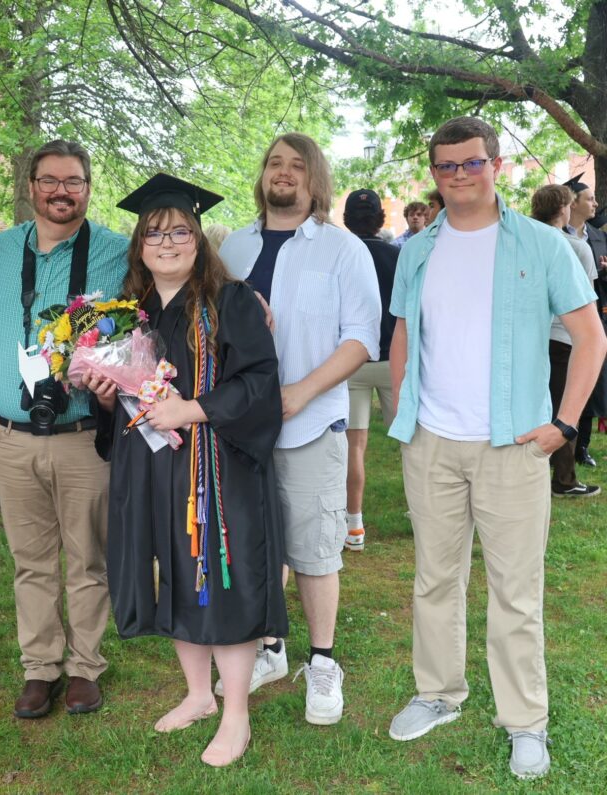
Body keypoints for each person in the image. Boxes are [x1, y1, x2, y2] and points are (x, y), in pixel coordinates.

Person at [386, 116, 606, 779]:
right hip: (432, 442)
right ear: (435, 173)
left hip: (513, 445)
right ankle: (438, 692)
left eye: (472, 163)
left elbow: (591, 337)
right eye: (447, 166)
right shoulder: (418, 248)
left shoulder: (541, 244)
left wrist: (565, 424)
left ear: (497, 166)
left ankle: (525, 720)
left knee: (515, 590)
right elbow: (402, 333)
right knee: (435, 578)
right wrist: (404, 410)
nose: (460, 176)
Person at [94, 174, 287, 767]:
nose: (168, 242)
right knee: (174, 572)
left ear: (200, 239)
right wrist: (106, 395)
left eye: (180, 230)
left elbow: (259, 383)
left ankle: (236, 715)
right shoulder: (129, 315)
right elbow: (126, 398)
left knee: (216, 581)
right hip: (152, 466)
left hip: (218, 470)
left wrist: (193, 409)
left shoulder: (232, 302)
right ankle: (200, 696)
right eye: (155, 233)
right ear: (140, 246)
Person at [218, 132, 380, 724]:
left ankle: (323, 662)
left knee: (314, 552)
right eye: (274, 163)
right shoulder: (232, 248)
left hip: (309, 422)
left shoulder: (342, 250)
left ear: (315, 182)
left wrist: (299, 394)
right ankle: (270, 647)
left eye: (297, 166)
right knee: (253, 543)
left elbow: (361, 337)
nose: (283, 173)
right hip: (237, 426)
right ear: (263, 175)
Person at [0, 140, 128, 718]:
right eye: (50, 181)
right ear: (31, 187)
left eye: (73, 182)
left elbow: (166, 302)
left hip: (81, 437)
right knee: (30, 560)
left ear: (88, 188)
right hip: (13, 438)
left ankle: (86, 666)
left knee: (86, 558)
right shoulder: (0, 249)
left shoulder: (117, 251)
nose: (61, 192)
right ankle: (40, 666)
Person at [531, 184, 599, 496]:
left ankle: (530, 469)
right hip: (563, 336)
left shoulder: (525, 243)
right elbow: (587, 303)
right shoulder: (576, 247)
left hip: (531, 336)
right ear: (563, 209)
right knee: (565, 407)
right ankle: (565, 479)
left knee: (533, 405)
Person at [342, 189, 399, 549]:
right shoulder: (397, 255)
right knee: (412, 442)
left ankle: (354, 526)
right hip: (394, 358)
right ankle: (427, 517)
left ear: (347, 220)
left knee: (354, 447)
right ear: (380, 219)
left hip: (353, 361)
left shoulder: (341, 256)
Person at [562, 174, 607, 467]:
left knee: (594, 378)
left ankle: (583, 447)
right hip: (560, 321)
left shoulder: (599, 236)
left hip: (596, 314)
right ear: (573, 202)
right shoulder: (555, 234)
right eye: (590, 198)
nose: (595, 203)